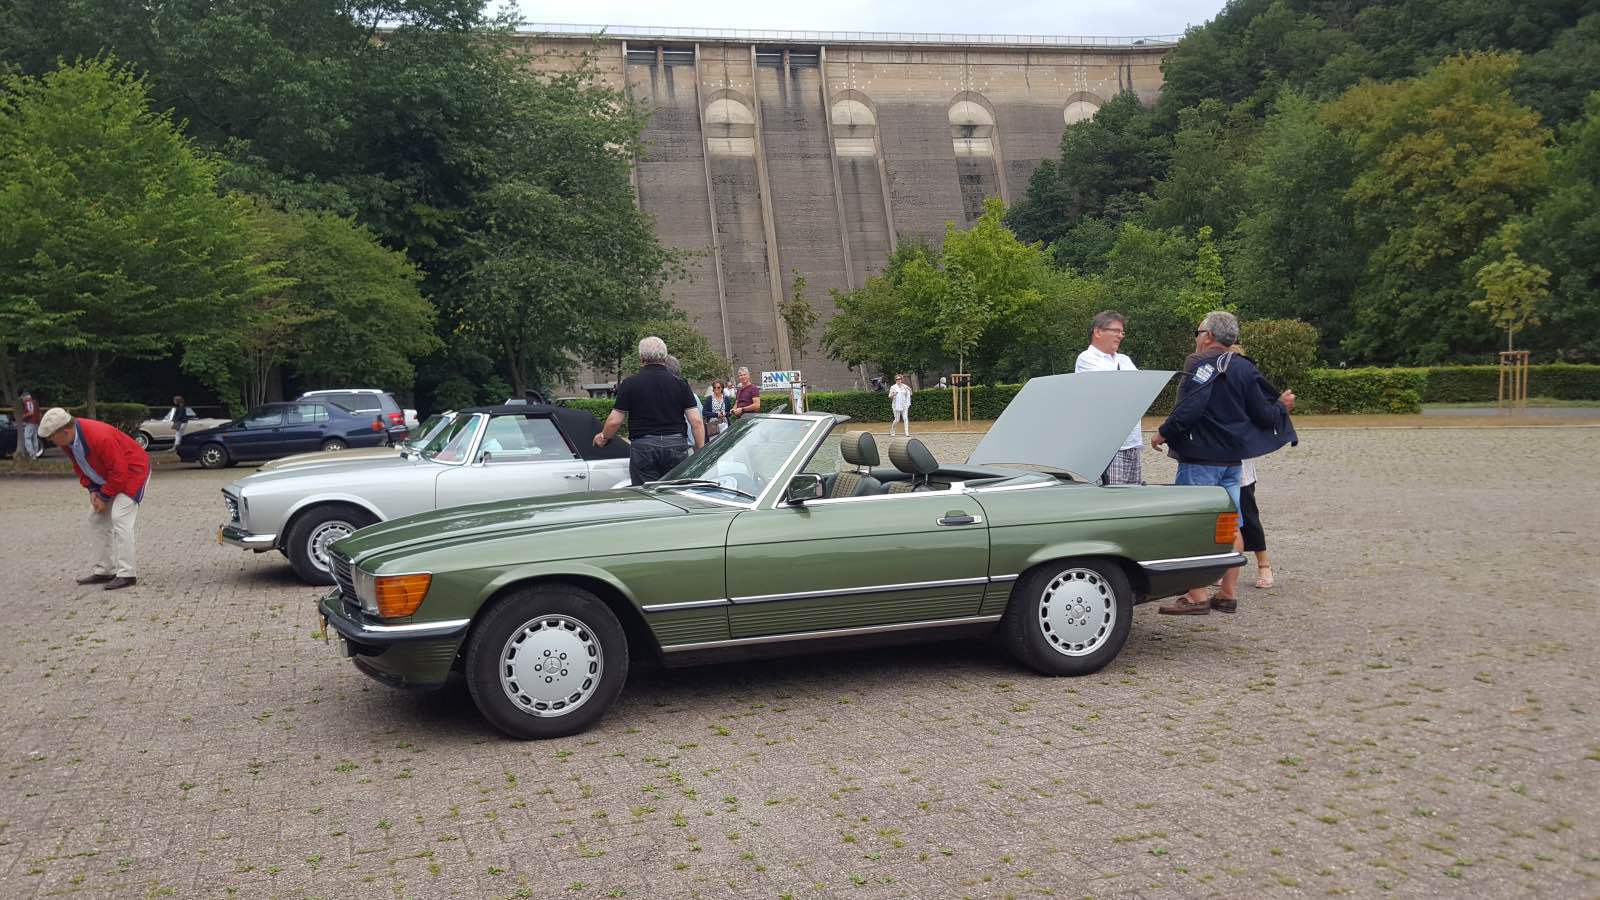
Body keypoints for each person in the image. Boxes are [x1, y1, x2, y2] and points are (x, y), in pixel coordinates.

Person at [1151, 311, 1295, 615]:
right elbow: (1263, 414)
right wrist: (1281, 408)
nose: (1198, 337)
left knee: (1192, 526)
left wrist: (1163, 432)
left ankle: (1197, 596)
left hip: (1201, 460)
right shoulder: (1244, 367)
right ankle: (1227, 594)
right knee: (1230, 525)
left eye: (1199, 332)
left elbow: (1190, 408)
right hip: (1233, 462)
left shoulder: (1202, 366)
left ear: (1209, 336)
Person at [37, 408, 151, 590]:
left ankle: (127, 574)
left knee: (120, 517)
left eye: (51, 438)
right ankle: (105, 570)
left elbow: (119, 471)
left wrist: (104, 496)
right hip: (111, 476)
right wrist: (92, 489)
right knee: (96, 519)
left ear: (65, 432)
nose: (51, 442)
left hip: (133, 471)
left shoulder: (99, 437)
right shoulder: (67, 441)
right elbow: (80, 465)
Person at [594, 337, 706, 485]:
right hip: (675, 445)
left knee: (646, 493)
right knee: (675, 492)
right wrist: (699, 449)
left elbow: (615, 421)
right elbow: (696, 421)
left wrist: (603, 437)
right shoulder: (680, 383)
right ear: (664, 357)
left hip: (644, 446)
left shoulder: (630, 384)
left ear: (641, 358)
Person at [1074, 310, 1143, 485]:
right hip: (1107, 446)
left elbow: (1142, 390)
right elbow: (1109, 392)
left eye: (1122, 332)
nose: (1120, 336)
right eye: (1116, 331)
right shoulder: (1086, 359)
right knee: (1112, 496)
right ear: (1098, 332)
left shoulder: (1124, 359)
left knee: (1135, 497)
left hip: (1132, 441)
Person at [1239, 456, 1274, 588]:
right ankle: (1221, 568)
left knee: (1249, 519)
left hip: (1240, 469)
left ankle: (1264, 565)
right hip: (1209, 466)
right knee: (1218, 522)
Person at [18, 390, 43, 459]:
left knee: (27, 438)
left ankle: (31, 453)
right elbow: (39, 413)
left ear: (26, 397)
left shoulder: (29, 402)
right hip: (36, 422)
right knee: (34, 438)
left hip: (30, 422)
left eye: (23, 398)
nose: (22, 400)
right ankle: (35, 455)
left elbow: (31, 412)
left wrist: (23, 416)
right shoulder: (35, 402)